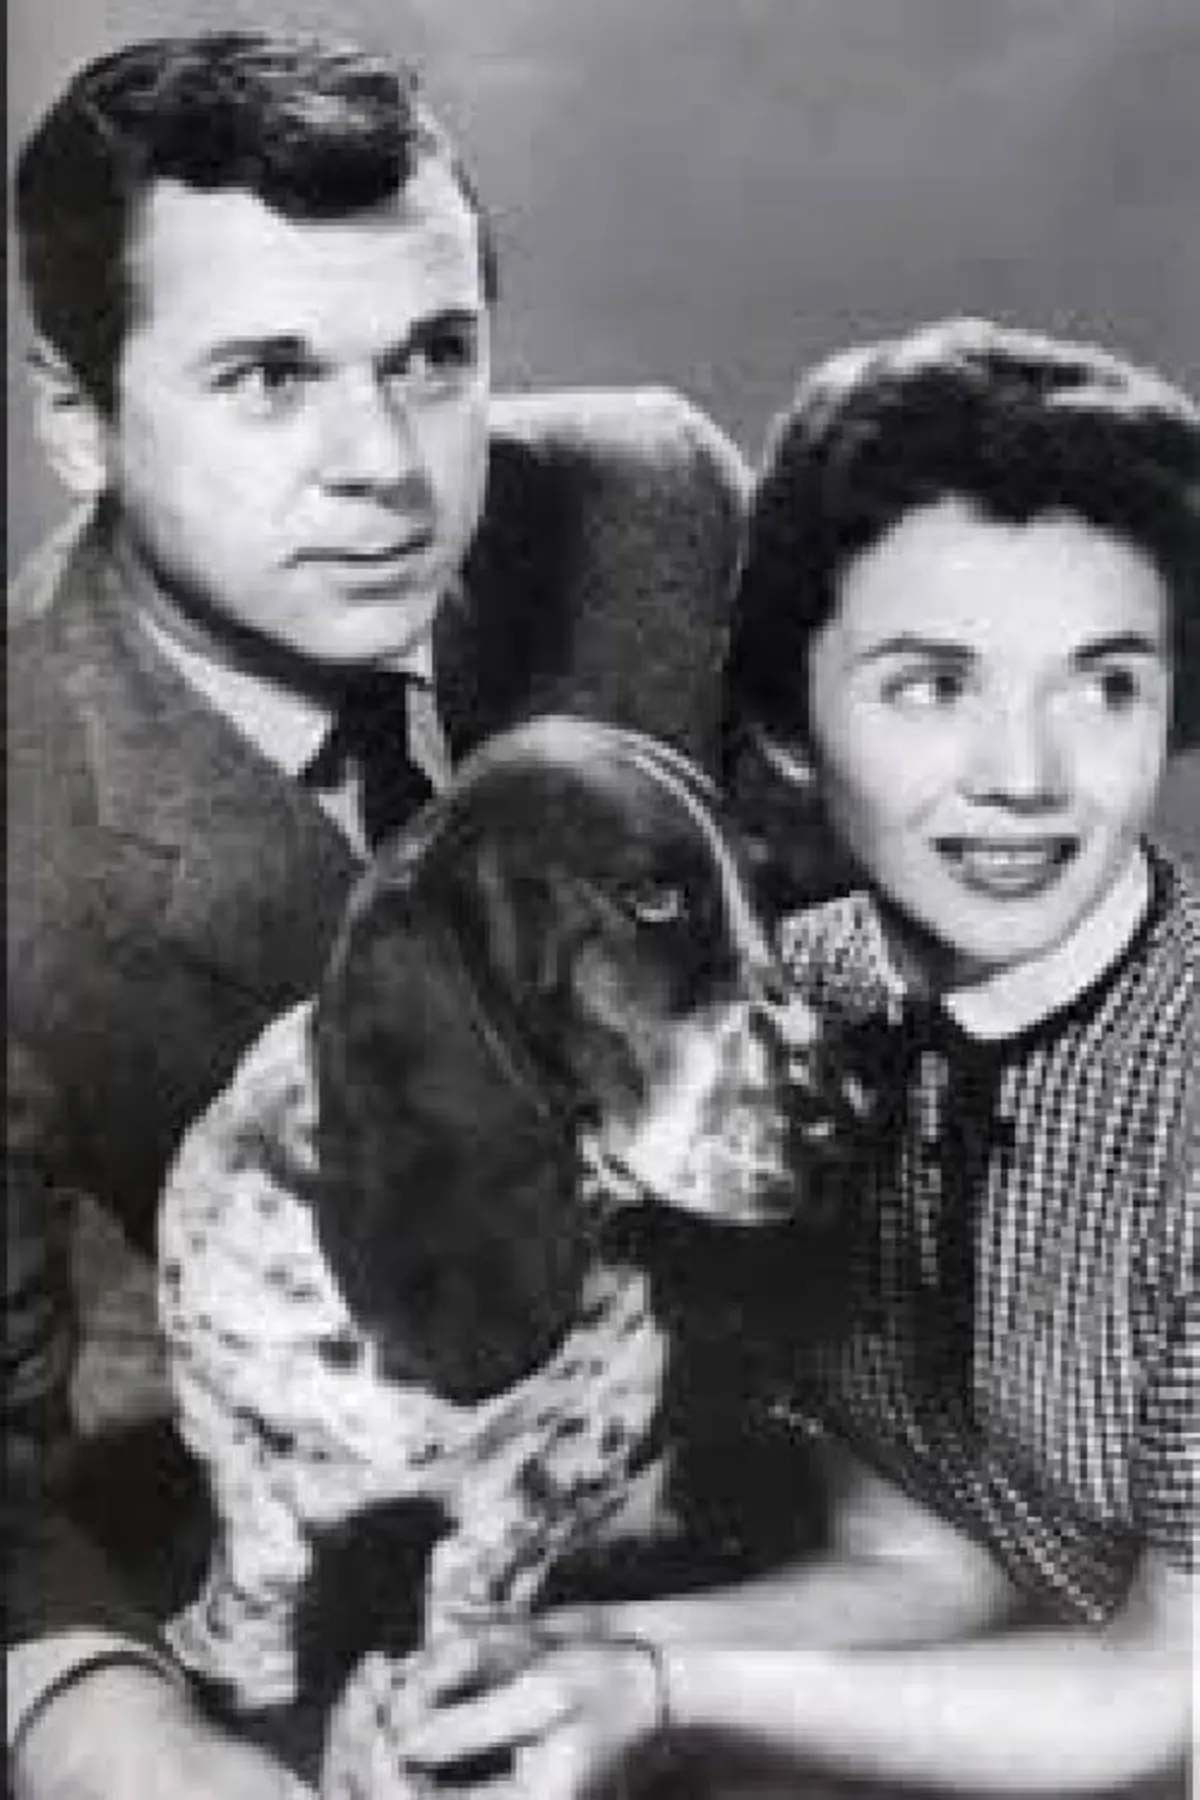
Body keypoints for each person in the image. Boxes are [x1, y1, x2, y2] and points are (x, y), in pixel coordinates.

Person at [4, 30, 751, 1800]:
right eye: (268, 375)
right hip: (304, 1596)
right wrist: (120, 1742)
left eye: (432, 356)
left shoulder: (655, 510)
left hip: (766, 1530)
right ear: (75, 419)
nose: (389, 468)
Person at [405, 319, 1198, 1798]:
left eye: (1104, 685)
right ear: (785, 718)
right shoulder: (796, 999)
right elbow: (931, 1552)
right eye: (931, 684)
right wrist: (568, 1652)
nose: (1026, 779)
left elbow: (1170, 1691)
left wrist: (664, 1689)